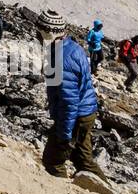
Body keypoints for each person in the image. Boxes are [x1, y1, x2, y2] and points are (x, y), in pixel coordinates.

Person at [38, 10, 105, 179]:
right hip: (85, 111)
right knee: (83, 159)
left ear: (48, 34)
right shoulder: (71, 46)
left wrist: (64, 135)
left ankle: (59, 193)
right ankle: (106, 193)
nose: (36, 37)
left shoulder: (62, 60)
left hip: (76, 116)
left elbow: (69, 102)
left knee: (53, 159)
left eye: (39, 33)